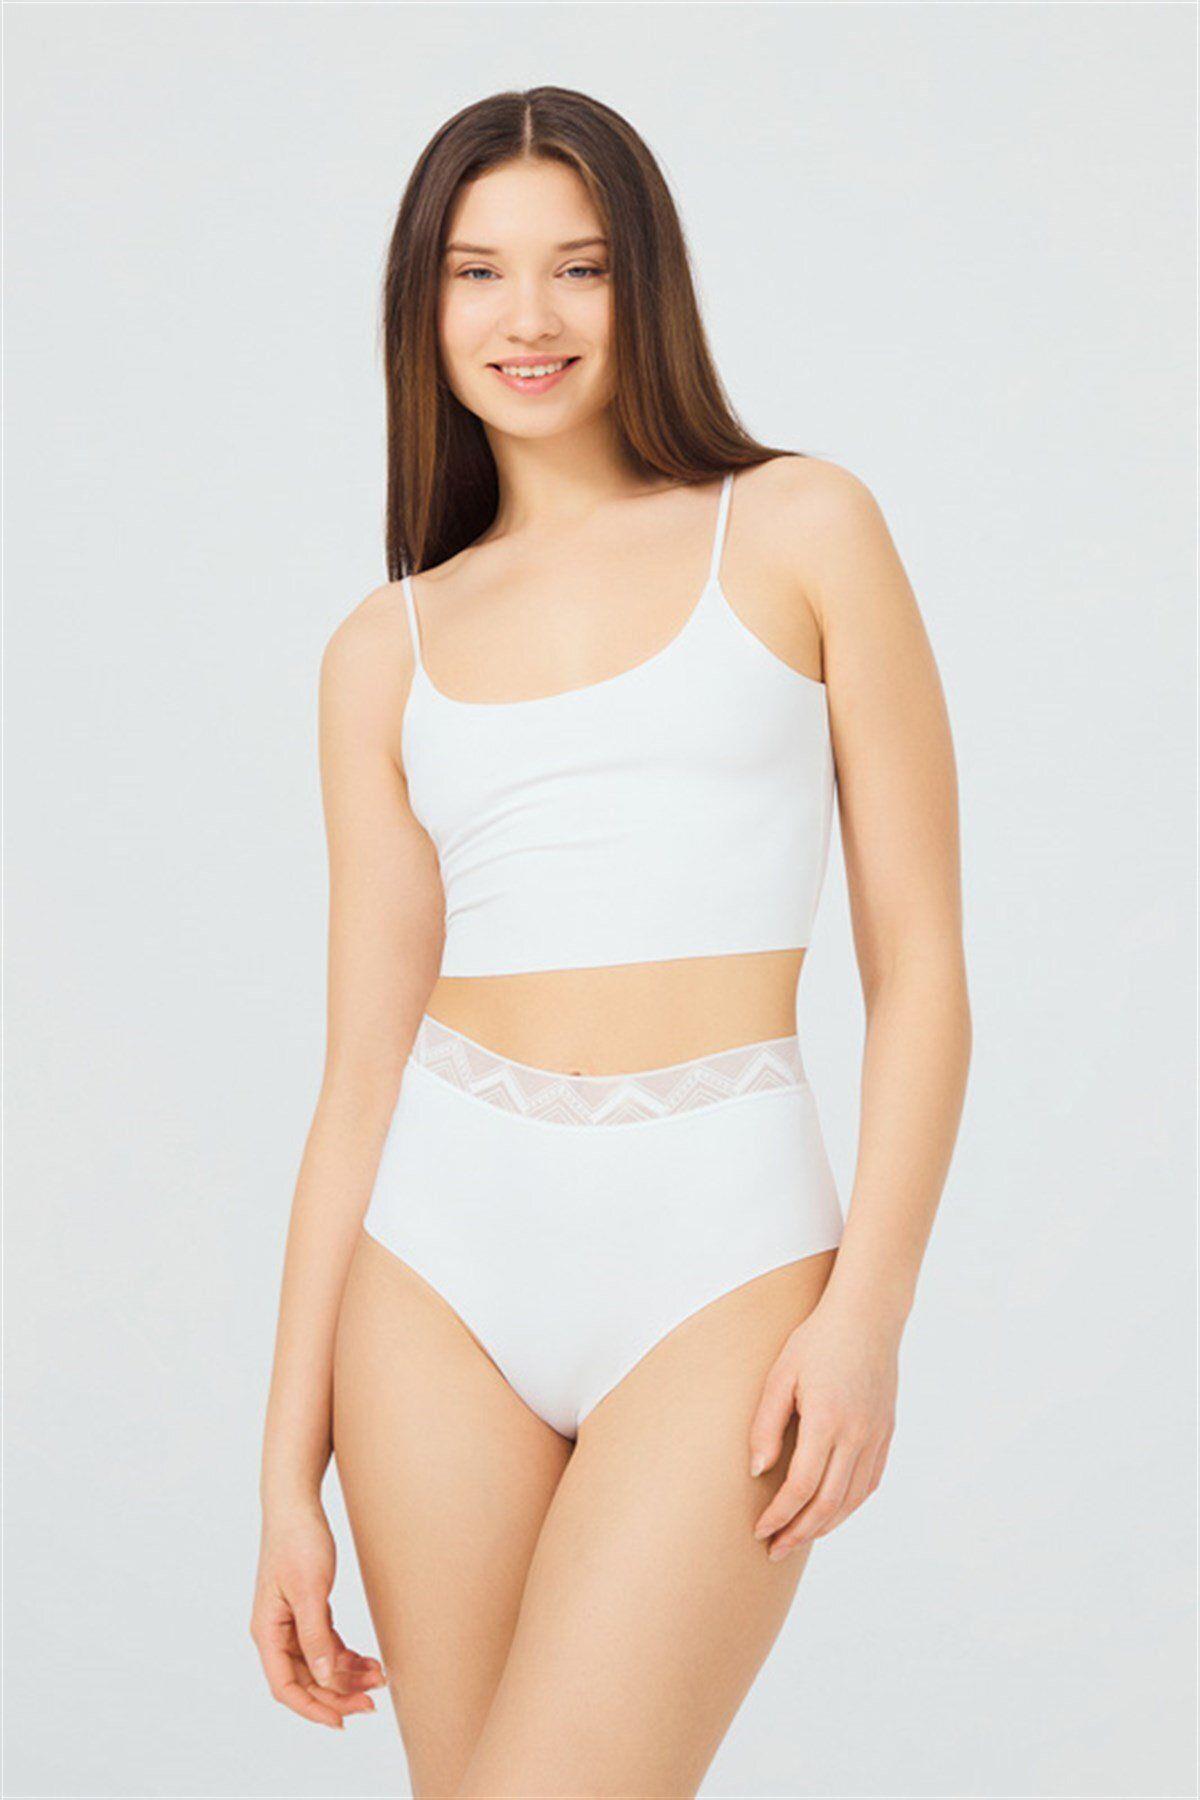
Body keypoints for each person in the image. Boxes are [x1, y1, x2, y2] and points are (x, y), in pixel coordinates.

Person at [250, 85, 972, 1800]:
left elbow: (923, 969)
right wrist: (283, 1475)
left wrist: (868, 1315)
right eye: (478, 271)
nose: (530, 316)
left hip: (722, 1250)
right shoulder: (384, 648)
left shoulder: (800, 526)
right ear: (423, 306)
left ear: (645, 284)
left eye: (578, 267)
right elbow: (358, 1077)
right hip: (436, 1273)